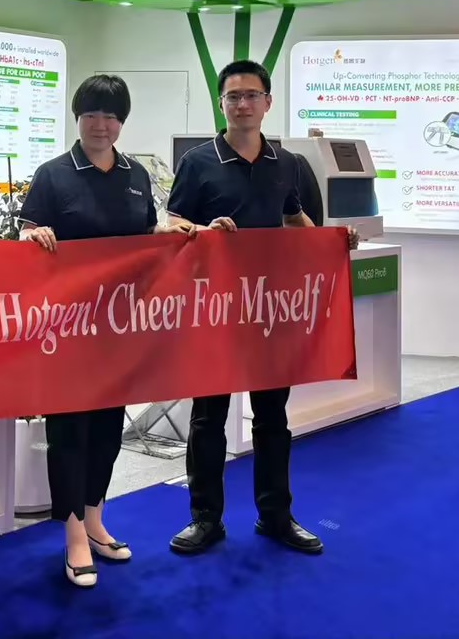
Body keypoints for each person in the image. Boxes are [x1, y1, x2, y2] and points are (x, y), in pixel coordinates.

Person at [163, 59, 356, 558]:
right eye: (233, 96)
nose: (242, 104)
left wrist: (331, 241)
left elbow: (294, 219)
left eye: (251, 95)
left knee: (272, 417)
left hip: (269, 312)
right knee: (208, 418)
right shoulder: (197, 162)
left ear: (268, 103)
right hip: (214, 311)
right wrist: (203, 231)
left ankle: (275, 515)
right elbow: (172, 223)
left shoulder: (287, 163)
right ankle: (205, 518)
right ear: (221, 104)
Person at [19, 74, 179, 588]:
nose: (101, 124)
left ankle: (95, 519)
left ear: (122, 122)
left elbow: (146, 233)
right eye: (91, 114)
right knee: (70, 431)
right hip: (66, 330)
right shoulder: (53, 174)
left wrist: (171, 233)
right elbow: (27, 232)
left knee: (108, 428)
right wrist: (32, 236)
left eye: (111, 115)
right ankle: (72, 535)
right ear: (77, 118)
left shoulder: (135, 175)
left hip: (118, 329)